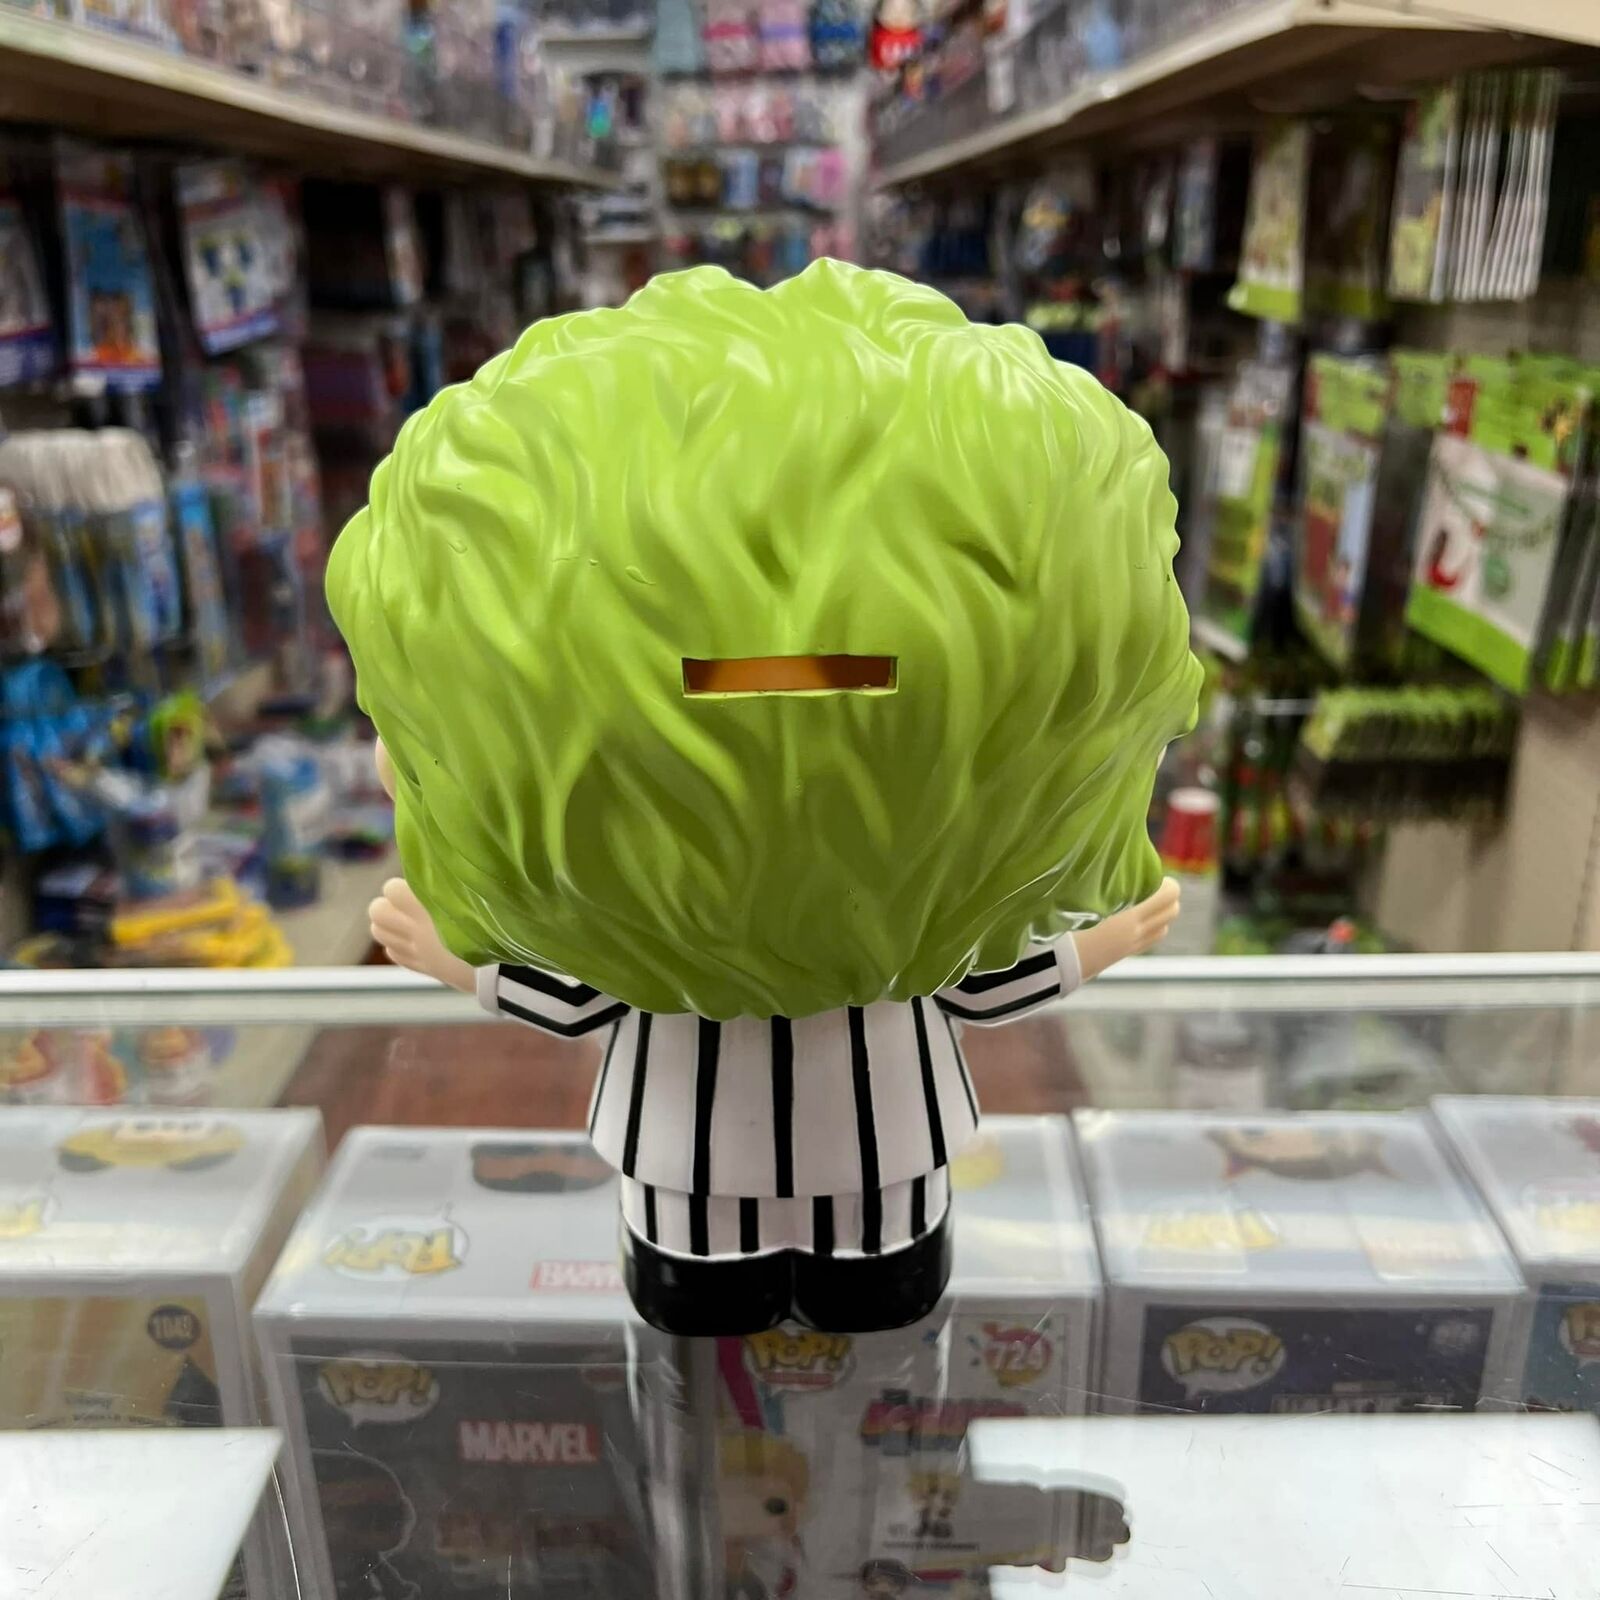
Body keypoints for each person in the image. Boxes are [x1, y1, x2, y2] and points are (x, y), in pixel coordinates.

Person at [332, 261, 1201, 1336]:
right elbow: (972, 991)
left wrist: (1101, 936)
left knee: (862, 1295)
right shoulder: (689, 933)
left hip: (814, 1163)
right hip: (760, 1166)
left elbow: (591, 1001)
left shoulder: (868, 922)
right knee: (736, 1299)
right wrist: (457, 959)